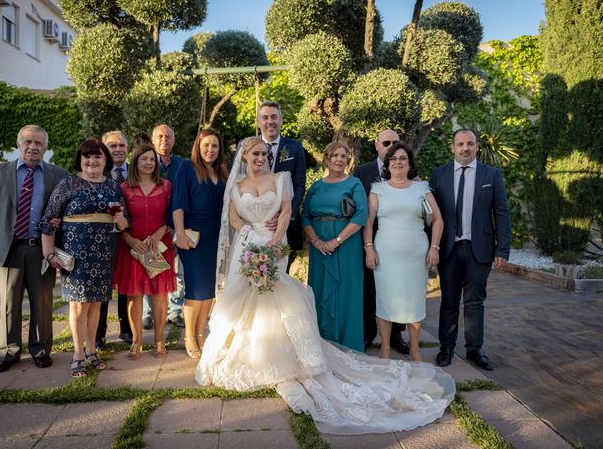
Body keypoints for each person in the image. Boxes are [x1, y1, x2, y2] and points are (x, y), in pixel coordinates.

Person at [195, 136, 455, 434]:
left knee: (291, 298)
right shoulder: (255, 186)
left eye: (263, 153)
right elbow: (241, 216)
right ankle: (250, 352)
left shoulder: (291, 180)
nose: (259, 158)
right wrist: (258, 239)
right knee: (246, 301)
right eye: (254, 153)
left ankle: (334, 346)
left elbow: (298, 213)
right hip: (254, 247)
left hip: (300, 245)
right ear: (244, 156)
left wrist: (279, 241)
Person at [0, 125, 68, 373]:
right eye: (28, 142)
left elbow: (65, 213)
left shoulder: (58, 175)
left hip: (42, 249)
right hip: (8, 249)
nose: (33, 147)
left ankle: (40, 349)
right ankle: (7, 352)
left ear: (46, 148)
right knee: (9, 303)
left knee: (43, 302)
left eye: (39, 143)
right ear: (19, 144)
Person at [41, 139, 129, 377]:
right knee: (79, 305)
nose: (92, 161)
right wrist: (49, 254)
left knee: (96, 304)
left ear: (105, 161)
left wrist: (120, 219)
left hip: (104, 254)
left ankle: (92, 350)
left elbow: (124, 223)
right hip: (75, 255)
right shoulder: (68, 184)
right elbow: (49, 220)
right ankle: (78, 353)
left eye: (98, 157)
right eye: (87, 157)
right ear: (80, 159)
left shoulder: (113, 187)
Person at [430, 128, 511, 371]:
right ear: (452, 147)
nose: (465, 148)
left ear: (476, 146)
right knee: (449, 302)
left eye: (470, 144)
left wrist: (503, 249)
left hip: (480, 250)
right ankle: (446, 347)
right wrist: (430, 247)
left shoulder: (491, 174)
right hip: (449, 250)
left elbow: (501, 212)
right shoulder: (439, 175)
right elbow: (432, 216)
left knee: (475, 302)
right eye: (460, 144)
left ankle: (475, 349)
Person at [363, 143, 444, 362]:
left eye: (403, 158)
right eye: (393, 159)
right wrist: (369, 249)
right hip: (385, 256)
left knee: (414, 301)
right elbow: (368, 223)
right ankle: (386, 348)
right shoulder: (377, 189)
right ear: (388, 164)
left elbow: (437, 220)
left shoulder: (422, 188)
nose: (398, 162)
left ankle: (415, 349)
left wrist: (434, 247)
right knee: (386, 300)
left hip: (416, 256)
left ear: (410, 164)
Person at [301, 142, 368, 352]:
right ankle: (323, 343)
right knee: (320, 292)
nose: (340, 159)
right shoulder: (317, 187)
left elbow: (361, 215)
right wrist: (317, 241)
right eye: (335, 155)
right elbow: (305, 216)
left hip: (347, 246)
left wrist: (336, 241)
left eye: (343, 155)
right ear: (327, 159)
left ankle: (348, 344)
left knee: (347, 293)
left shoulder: (355, 184)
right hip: (319, 247)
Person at [113, 144, 174, 359]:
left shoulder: (166, 186)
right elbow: (118, 220)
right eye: (144, 159)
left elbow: (172, 216)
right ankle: (137, 341)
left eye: (151, 159)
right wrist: (129, 239)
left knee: (159, 295)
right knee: (134, 295)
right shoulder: (123, 188)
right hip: (134, 248)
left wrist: (160, 233)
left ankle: (159, 341)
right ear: (135, 162)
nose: (148, 163)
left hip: (157, 247)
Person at [352, 129, 409, 353]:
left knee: (397, 289)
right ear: (376, 145)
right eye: (386, 142)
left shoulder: (409, 171)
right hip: (370, 240)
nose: (392, 146)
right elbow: (357, 207)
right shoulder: (362, 171)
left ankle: (396, 335)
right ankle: (368, 333)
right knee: (369, 289)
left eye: (396, 142)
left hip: (399, 241)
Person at [172, 129, 227, 358]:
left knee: (209, 291)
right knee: (195, 289)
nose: (210, 150)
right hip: (193, 236)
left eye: (214, 146)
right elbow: (177, 202)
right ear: (198, 146)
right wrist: (180, 233)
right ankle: (188, 336)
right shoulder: (187, 168)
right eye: (206, 145)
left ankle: (201, 333)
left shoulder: (222, 171)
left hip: (217, 237)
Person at [143, 124, 185, 329]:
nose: (164, 140)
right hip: (152, 225)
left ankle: (175, 310)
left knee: (179, 269)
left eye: (168, 136)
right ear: (152, 140)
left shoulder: (183, 164)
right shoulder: (146, 163)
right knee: (150, 267)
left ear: (174, 140)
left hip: (177, 225)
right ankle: (147, 313)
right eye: (159, 136)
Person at [95, 130, 133, 349]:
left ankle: (126, 329)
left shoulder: (135, 171)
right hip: (103, 239)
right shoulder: (98, 172)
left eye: (121, 145)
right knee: (102, 287)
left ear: (127, 148)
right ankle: (99, 334)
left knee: (127, 286)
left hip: (129, 236)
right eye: (112, 146)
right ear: (105, 150)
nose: (118, 149)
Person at [257, 101, 306, 257]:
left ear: (281, 120)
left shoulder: (295, 148)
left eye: (274, 117)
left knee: (281, 274)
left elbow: (299, 186)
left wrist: (284, 215)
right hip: (257, 224)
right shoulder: (247, 147)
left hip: (286, 225)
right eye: (265, 117)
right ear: (259, 122)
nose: (269, 121)